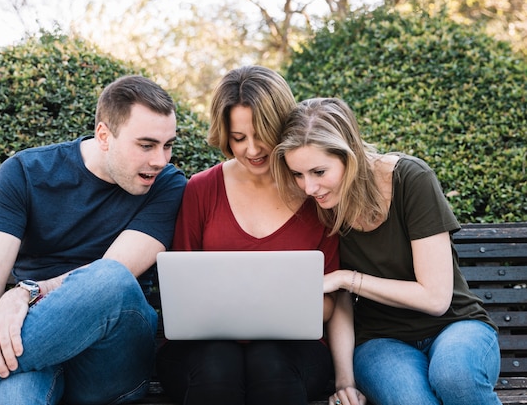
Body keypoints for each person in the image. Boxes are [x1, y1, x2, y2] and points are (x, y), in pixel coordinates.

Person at [0, 75, 187, 405]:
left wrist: (26, 292)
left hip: (110, 363)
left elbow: (110, 274)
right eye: (147, 145)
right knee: (14, 397)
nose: (161, 160)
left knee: (111, 279)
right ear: (104, 136)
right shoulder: (26, 172)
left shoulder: (166, 185)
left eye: (168, 145)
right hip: (31, 352)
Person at [271, 97, 502, 405]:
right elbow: (340, 304)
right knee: (412, 400)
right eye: (298, 175)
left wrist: (347, 278)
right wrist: (344, 382)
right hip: (381, 341)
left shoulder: (410, 179)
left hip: (455, 325)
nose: (309, 188)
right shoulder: (321, 205)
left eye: (318, 171)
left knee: (454, 378)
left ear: (348, 157)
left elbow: (435, 298)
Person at [155, 66, 365, 405]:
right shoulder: (202, 190)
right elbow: (182, 292)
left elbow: (331, 300)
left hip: (293, 351)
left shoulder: (315, 192)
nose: (252, 149)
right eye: (238, 138)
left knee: (270, 363)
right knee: (218, 365)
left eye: (261, 133)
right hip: (202, 351)